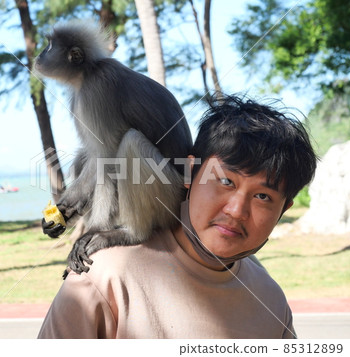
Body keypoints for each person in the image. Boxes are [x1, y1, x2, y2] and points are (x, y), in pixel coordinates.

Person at [38, 94, 318, 339]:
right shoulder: (101, 278)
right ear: (190, 172)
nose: (236, 211)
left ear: (284, 209)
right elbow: (94, 170)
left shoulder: (271, 302)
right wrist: (57, 214)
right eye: (226, 182)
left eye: (263, 197)